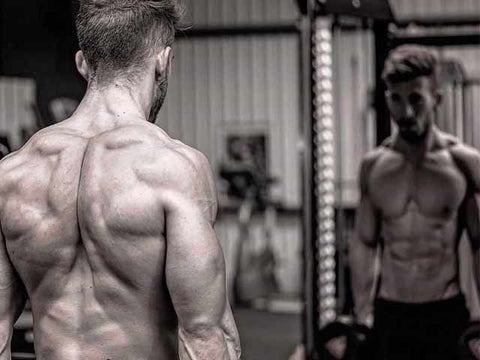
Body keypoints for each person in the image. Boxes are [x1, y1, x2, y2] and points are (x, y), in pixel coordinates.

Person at [0, 1, 241, 359]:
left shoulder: (12, 174)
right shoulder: (174, 170)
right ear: (164, 62)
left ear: (82, 63)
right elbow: (205, 334)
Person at [350, 45, 480, 360]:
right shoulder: (374, 166)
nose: (405, 113)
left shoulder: (464, 164)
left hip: (445, 312)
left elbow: (479, 244)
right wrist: (362, 313)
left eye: (416, 99)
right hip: (391, 313)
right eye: (396, 99)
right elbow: (364, 244)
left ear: (436, 98)